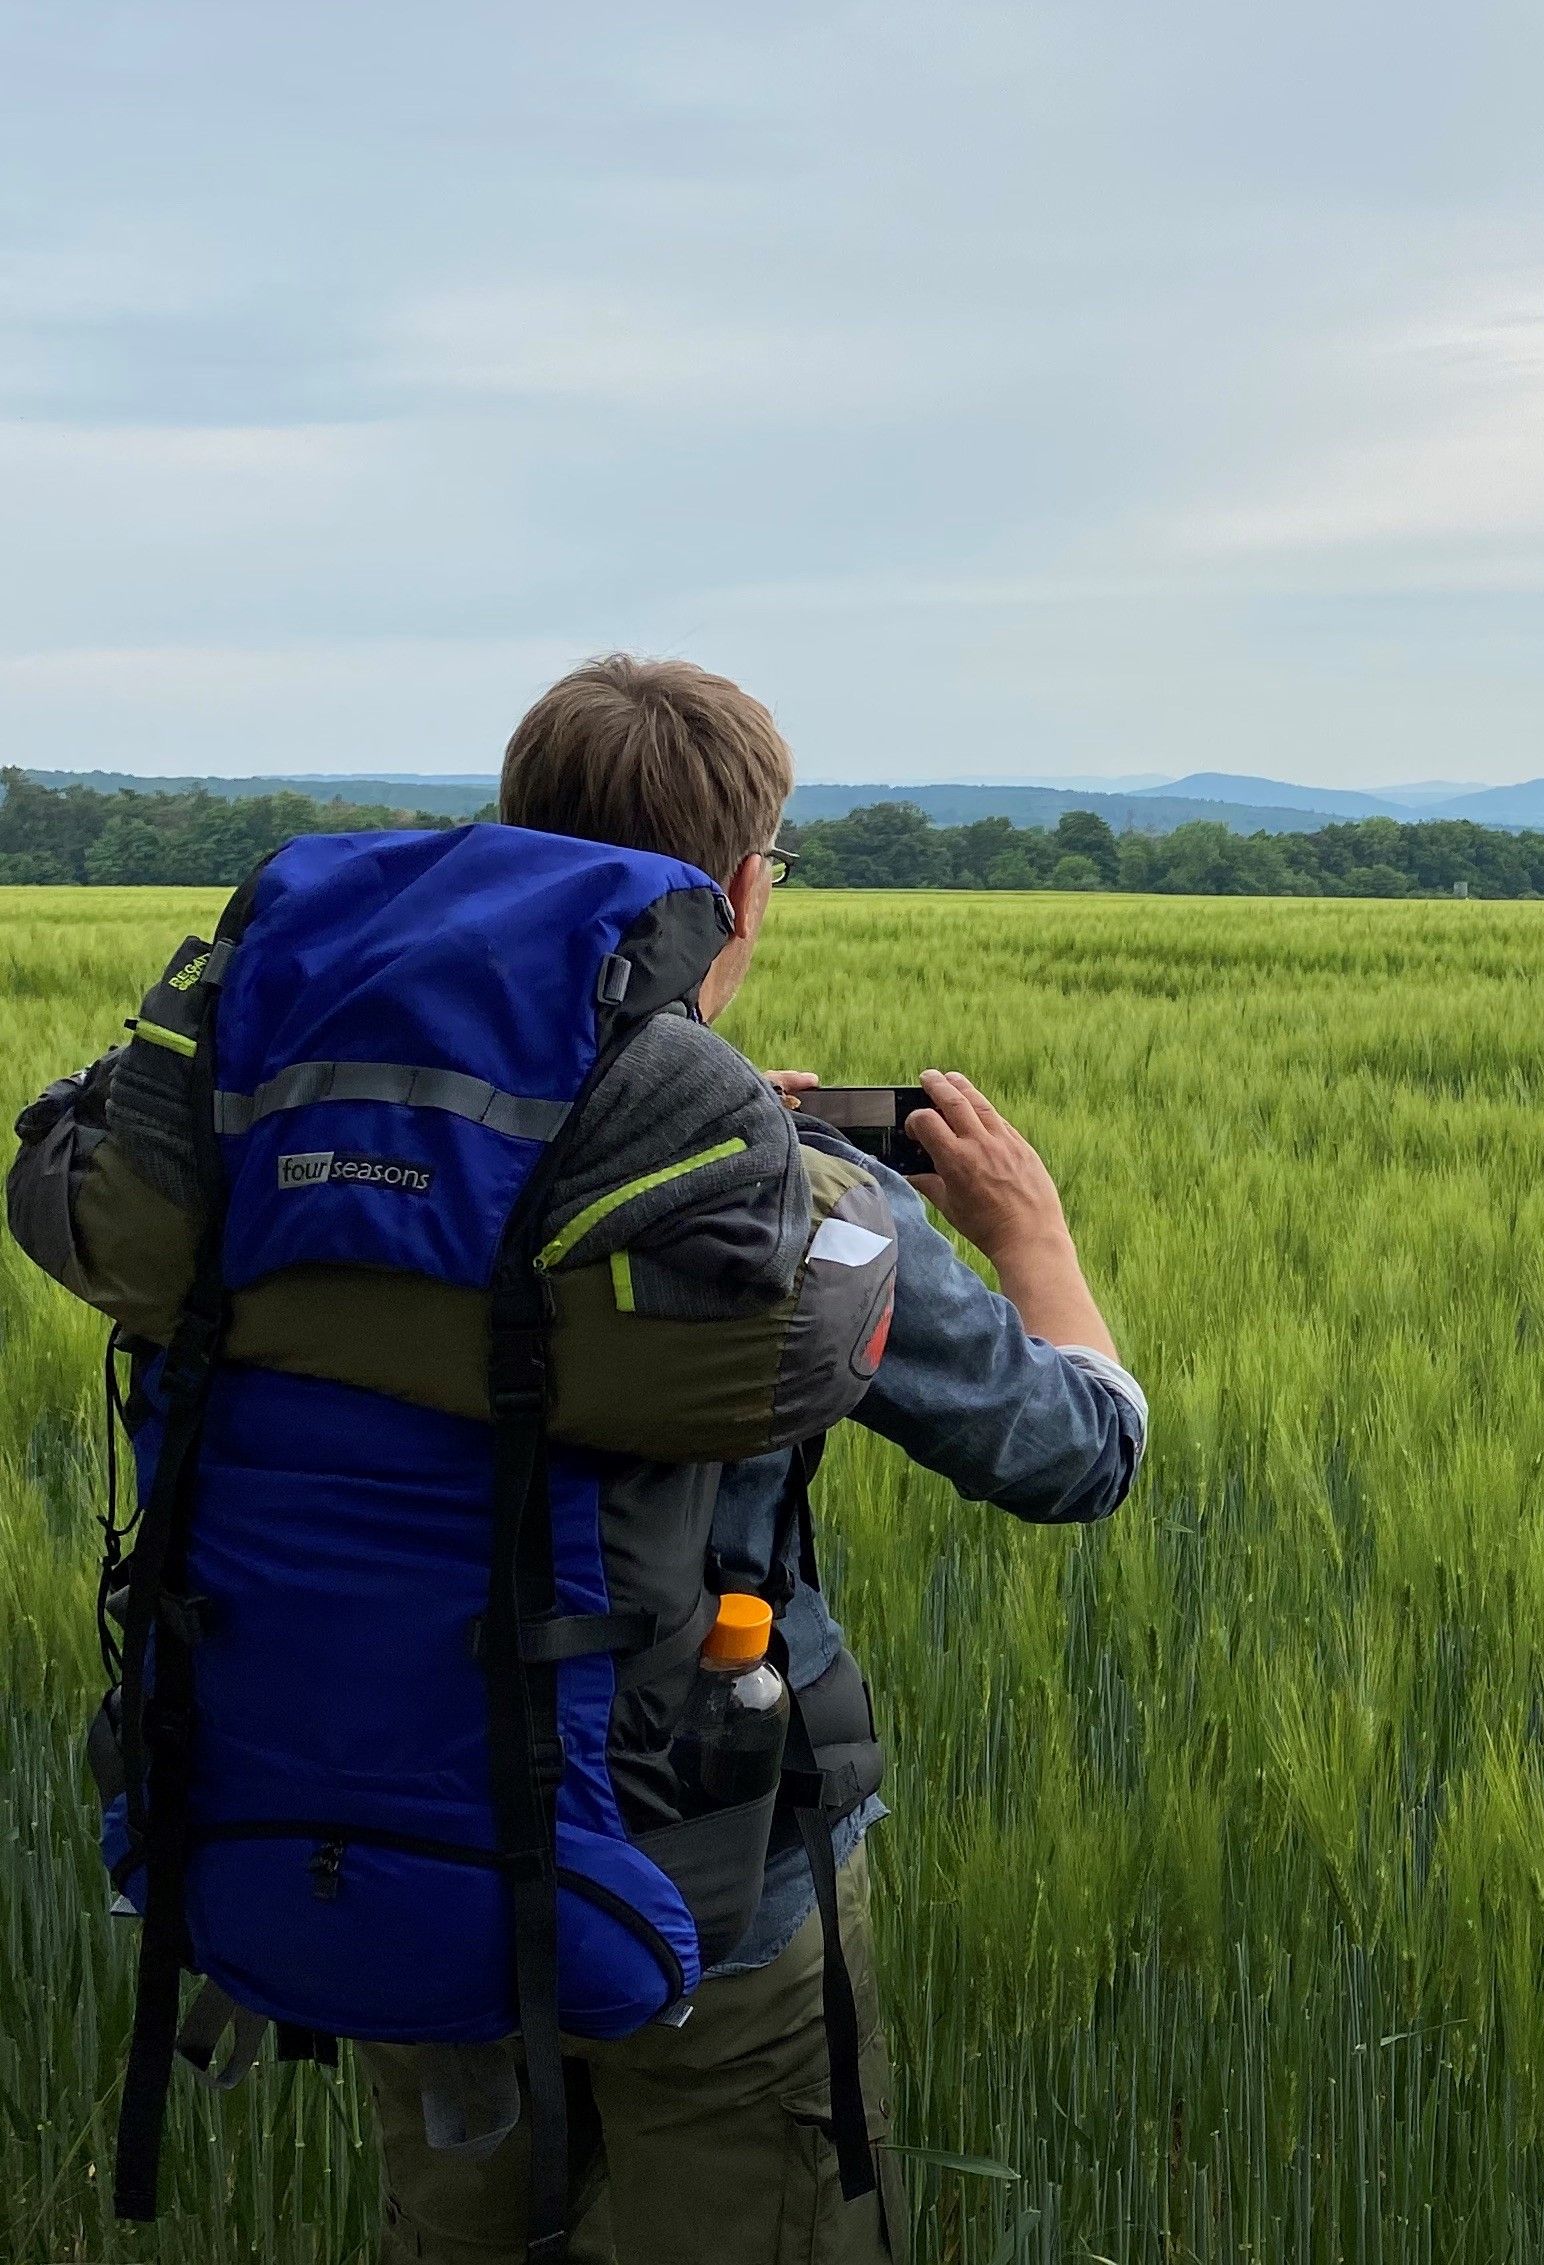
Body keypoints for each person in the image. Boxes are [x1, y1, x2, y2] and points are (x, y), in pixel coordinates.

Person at [8, 654, 1146, 2265]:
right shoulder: (791, 1206)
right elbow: (1079, 1452)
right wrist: (1029, 1237)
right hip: (711, 1885)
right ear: (741, 889)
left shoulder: (271, 1137)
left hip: (388, 1834)